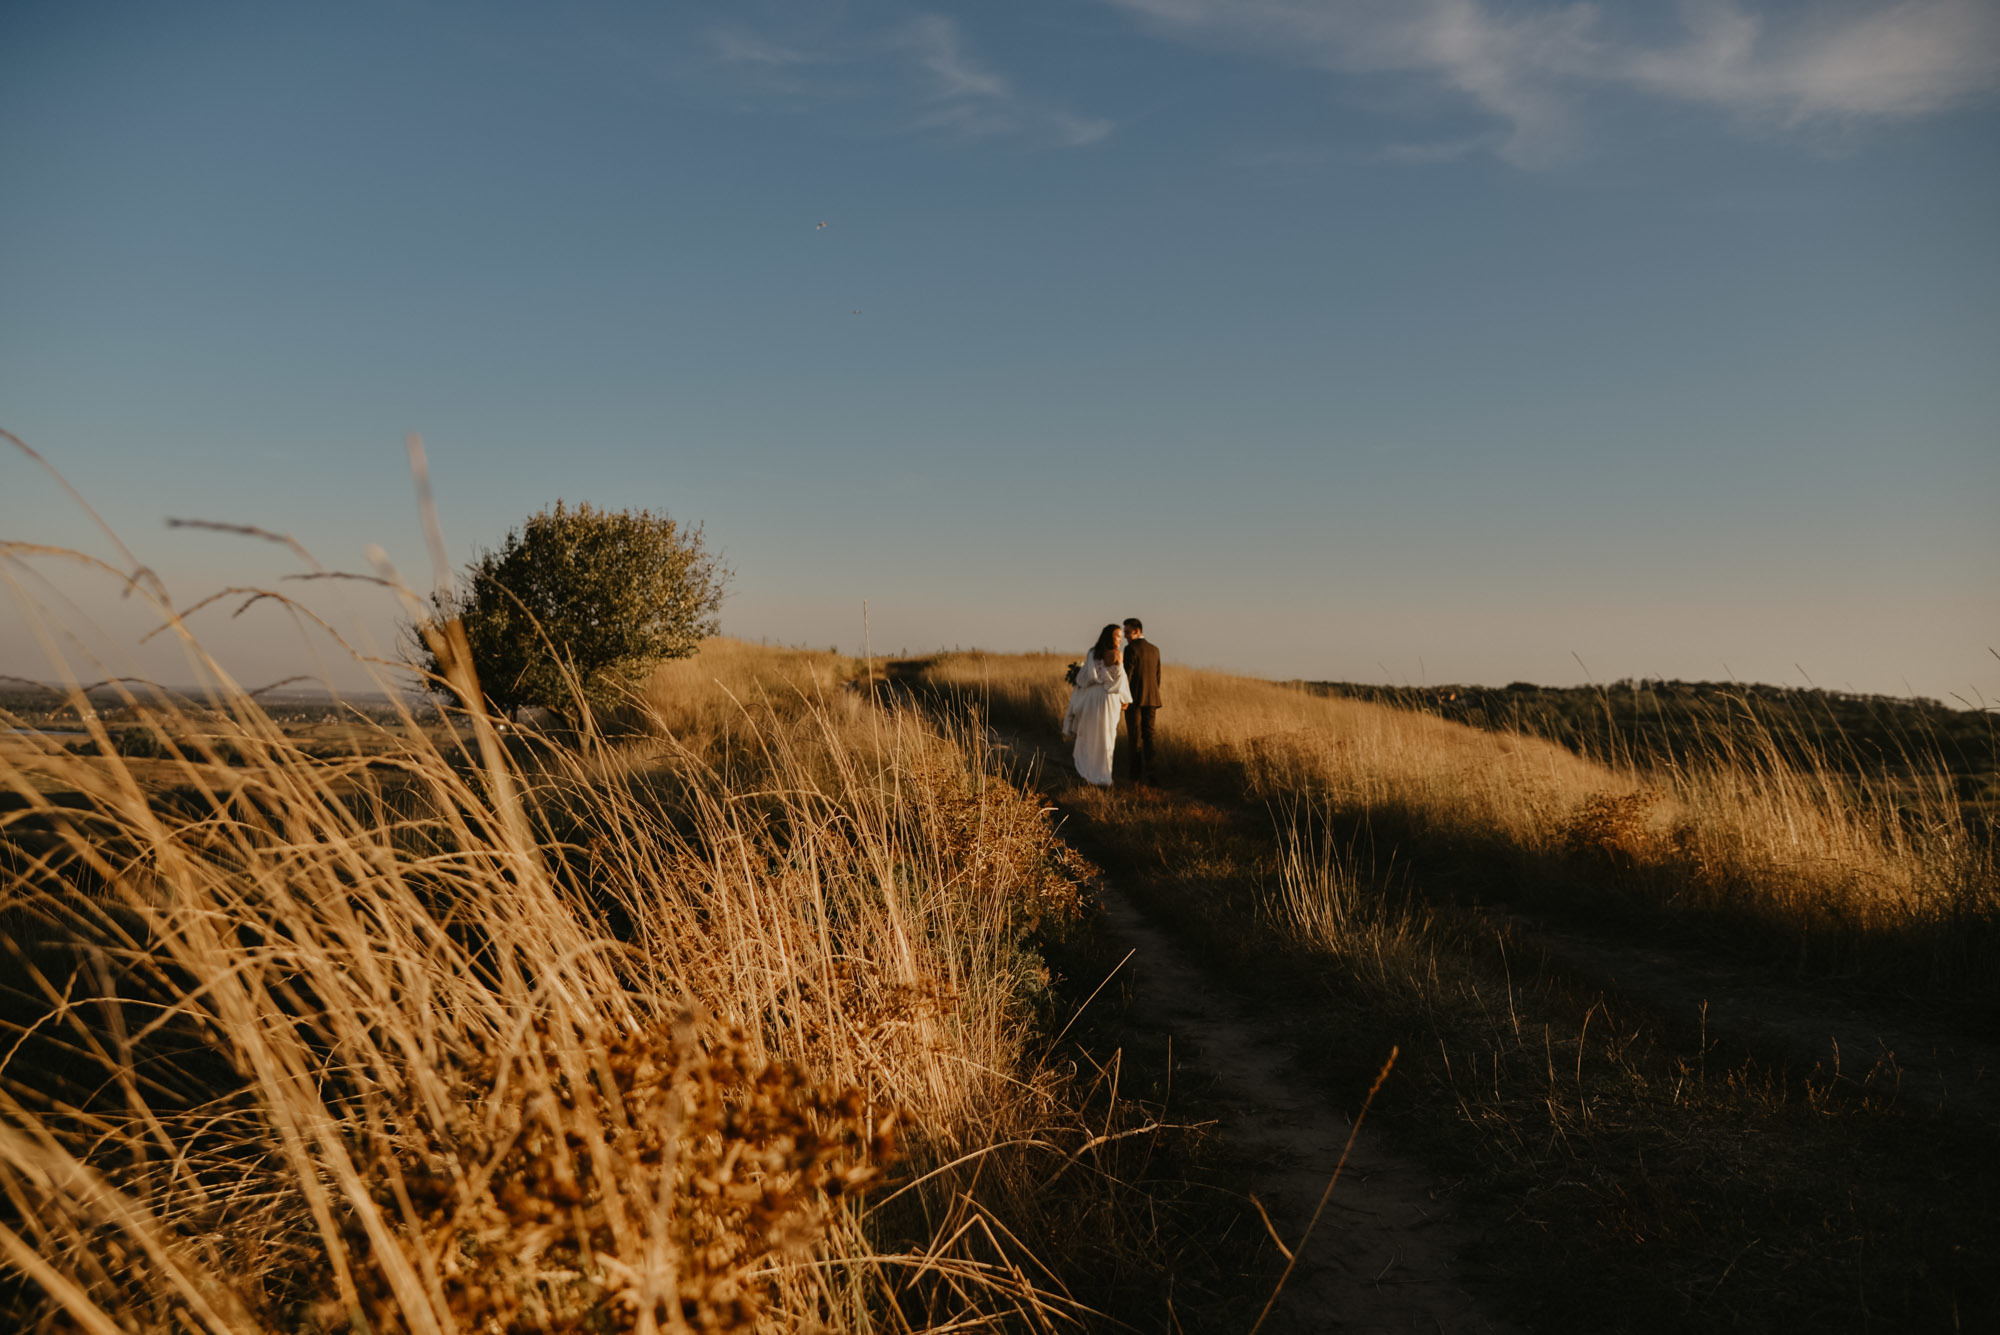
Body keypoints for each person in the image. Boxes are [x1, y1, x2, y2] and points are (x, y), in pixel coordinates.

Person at [1063, 623, 1131, 787]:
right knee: (1107, 736)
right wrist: (1125, 699)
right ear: (1109, 637)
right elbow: (1120, 681)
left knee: (1091, 734)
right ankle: (1103, 776)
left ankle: (1088, 772)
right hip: (1108, 698)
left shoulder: (1092, 653)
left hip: (1092, 698)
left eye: (1121, 637)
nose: (1120, 640)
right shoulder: (1117, 655)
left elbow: (1082, 679)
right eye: (1117, 636)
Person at [1122, 617, 1162, 783]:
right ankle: (1152, 773)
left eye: (1127, 632)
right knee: (1149, 736)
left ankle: (1135, 775)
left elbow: (1126, 676)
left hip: (1134, 699)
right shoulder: (1155, 649)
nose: (1125, 635)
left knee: (1135, 737)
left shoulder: (1130, 649)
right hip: (1152, 698)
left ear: (1137, 631)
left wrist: (1123, 698)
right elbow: (1158, 676)